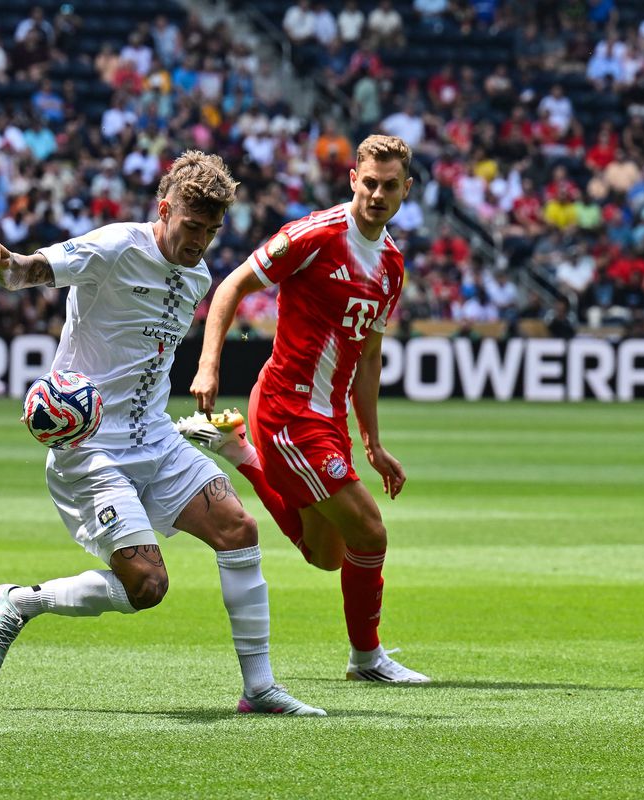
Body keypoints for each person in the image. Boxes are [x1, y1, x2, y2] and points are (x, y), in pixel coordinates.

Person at [0, 151, 323, 716]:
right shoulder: (115, 247)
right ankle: (18, 601)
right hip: (91, 447)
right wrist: (3, 260)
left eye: (211, 230)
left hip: (154, 438)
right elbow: (29, 271)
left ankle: (259, 690)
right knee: (147, 589)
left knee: (239, 529)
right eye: (191, 226)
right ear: (165, 209)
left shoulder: (199, 275)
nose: (200, 241)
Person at [180, 135, 430, 683]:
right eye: (370, 182)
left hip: (327, 419)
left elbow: (368, 357)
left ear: (406, 190)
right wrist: (207, 365)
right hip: (287, 410)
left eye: (390, 186)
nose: (378, 194)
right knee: (371, 532)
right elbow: (231, 287)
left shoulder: (390, 263)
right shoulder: (314, 235)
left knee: (328, 555)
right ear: (352, 179)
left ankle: (239, 454)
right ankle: (367, 659)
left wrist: (373, 442)